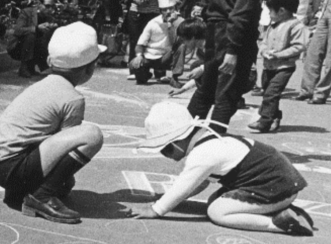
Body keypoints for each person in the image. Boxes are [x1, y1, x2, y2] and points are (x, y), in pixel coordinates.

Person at [187, 0, 304, 133]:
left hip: (214, 32)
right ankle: (212, 144)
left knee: (206, 89)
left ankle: (181, 138)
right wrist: (232, 50)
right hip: (234, 39)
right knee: (227, 96)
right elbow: (243, 12)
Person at [128, 101, 313, 236]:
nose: (165, 155)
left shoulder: (203, 154)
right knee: (215, 200)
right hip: (278, 182)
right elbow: (198, 184)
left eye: (165, 148)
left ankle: (279, 223)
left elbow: (185, 185)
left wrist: (156, 209)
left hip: (277, 187)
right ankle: (282, 209)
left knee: (218, 212)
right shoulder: (209, 139)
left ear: (178, 140)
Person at [0, 22, 106, 224]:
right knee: (91, 135)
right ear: (88, 69)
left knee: (65, 183)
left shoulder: (42, 85)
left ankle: (25, 192)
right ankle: (41, 196)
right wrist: (59, 180)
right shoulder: (73, 98)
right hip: (14, 168)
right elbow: (67, 145)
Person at [248, 0, 306, 133]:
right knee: (269, 92)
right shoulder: (273, 25)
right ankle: (274, 116)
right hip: (269, 66)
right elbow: (264, 42)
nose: (269, 14)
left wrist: (280, 54)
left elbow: (300, 46)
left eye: (270, 11)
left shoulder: (296, 26)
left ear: (281, 11)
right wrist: (264, 51)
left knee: (271, 93)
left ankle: (264, 121)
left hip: (284, 67)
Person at [131, 0, 181, 84]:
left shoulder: (179, 22)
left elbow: (175, 42)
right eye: (165, 9)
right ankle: (147, 73)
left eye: (170, 9)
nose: (168, 12)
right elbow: (140, 44)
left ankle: (175, 77)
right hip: (150, 55)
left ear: (175, 9)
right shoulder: (152, 23)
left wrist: (172, 24)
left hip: (166, 56)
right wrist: (139, 56)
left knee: (180, 47)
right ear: (160, 11)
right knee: (136, 68)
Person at [168, 17, 207, 92]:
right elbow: (199, 78)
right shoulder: (200, 51)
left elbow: (217, 64)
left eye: (183, 40)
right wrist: (183, 89)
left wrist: (202, 68)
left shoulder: (211, 45)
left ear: (192, 38)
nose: (183, 44)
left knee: (196, 65)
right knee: (196, 65)